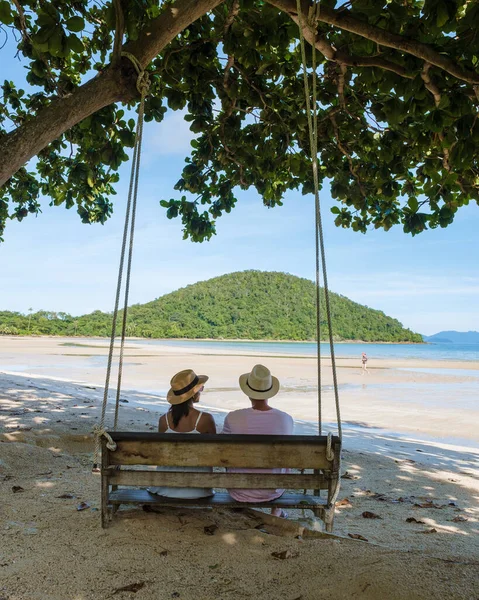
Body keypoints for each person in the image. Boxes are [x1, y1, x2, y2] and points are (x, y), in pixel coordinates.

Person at [222, 364, 294, 517]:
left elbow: (223, 449)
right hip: (273, 490)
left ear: (248, 393)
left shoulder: (233, 417)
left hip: (239, 490)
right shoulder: (285, 419)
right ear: (269, 392)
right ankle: (277, 510)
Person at [148, 369, 216, 499]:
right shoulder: (205, 419)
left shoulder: (164, 421)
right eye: (200, 388)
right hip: (198, 490)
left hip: (166, 487)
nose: (201, 391)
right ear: (193, 394)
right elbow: (214, 453)